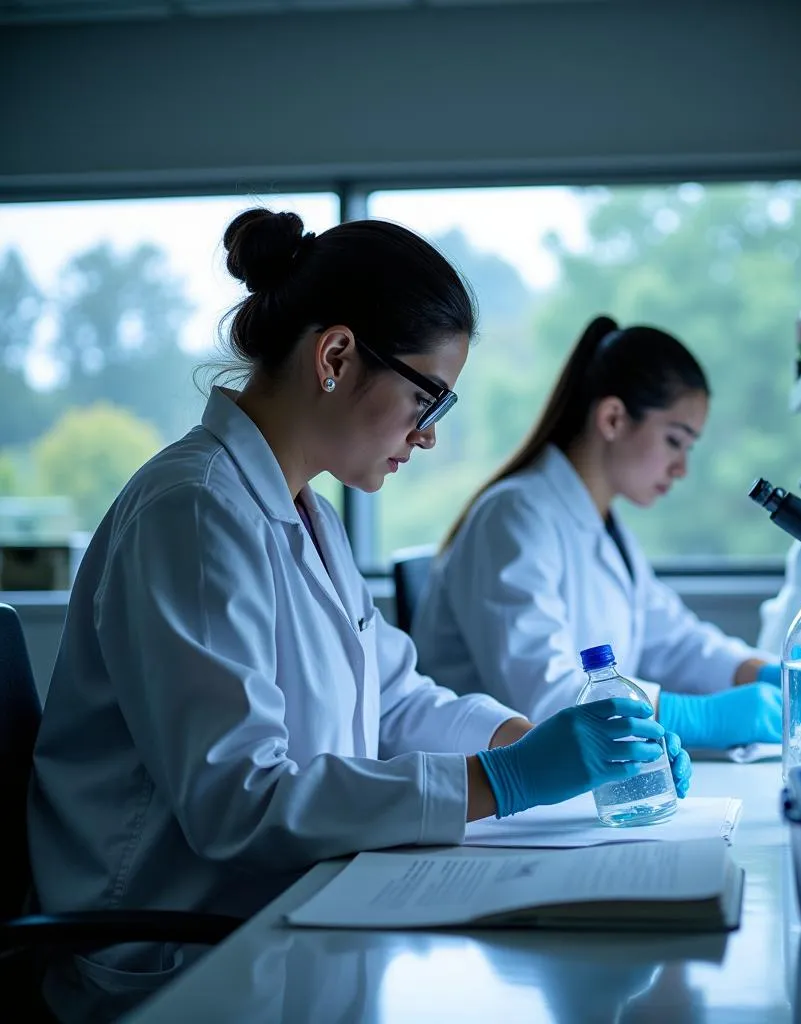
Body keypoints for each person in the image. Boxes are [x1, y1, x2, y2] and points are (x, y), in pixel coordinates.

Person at [27, 215, 691, 1018]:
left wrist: (540, 746)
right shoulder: (194, 511)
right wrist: (507, 781)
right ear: (336, 356)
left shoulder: (307, 513)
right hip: (177, 955)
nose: (429, 435)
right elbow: (238, 800)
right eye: (426, 397)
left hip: (282, 908)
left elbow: (397, 700)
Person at [413, 315, 784, 751]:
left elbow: (674, 641)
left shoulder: (606, 528)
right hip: (487, 789)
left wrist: (766, 672)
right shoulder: (514, 517)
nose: (682, 468)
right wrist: (698, 717)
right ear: (612, 419)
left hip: (571, 781)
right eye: (674, 441)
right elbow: (544, 696)